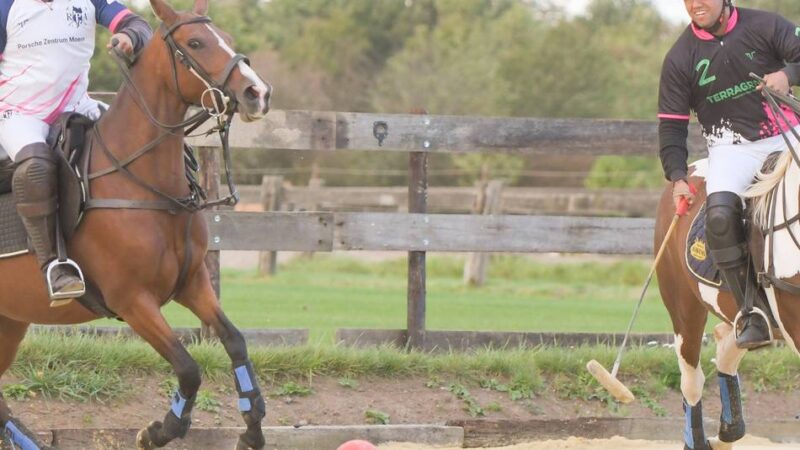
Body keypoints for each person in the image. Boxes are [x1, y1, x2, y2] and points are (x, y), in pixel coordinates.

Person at [658, 0, 800, 349]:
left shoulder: (765, 25)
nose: (696, 3)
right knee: (720, 217)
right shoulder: (680, 57)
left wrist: (788, 74)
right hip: (731, 149)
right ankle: (751, 313)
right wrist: (677, 176)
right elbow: (672, 127)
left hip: (786, 133)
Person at [0, 0, 151, 305]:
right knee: (36, 166)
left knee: (144, 132)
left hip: (77, 107)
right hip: (18, 114)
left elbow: (138, 24)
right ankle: (54, 266)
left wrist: (129, 37)